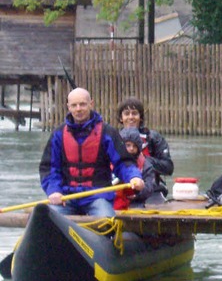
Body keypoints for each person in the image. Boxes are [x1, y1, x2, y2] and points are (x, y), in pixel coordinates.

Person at [39, 88, 144, 217]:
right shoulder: (58, 134)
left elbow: (123, 162)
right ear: (68, 107)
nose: (78, 109)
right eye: (74, 105)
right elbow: (49, 168)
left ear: (91, 104)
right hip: (66, 198)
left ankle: (104, 234)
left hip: (98, 196)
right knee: (48, 218)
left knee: (106, 220)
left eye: (82, 104)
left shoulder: (108, 132)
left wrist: (134, 177)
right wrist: (54, 191)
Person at [117, 97, 174, 194]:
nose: (131, 117)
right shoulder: (113, 139)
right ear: (121, 118)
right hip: (120, 190)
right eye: (127, 114)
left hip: (152, 189)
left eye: (134, 113)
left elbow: (168, 168)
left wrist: (144, 160)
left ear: (141, 117)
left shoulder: (153, 138)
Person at [114, 128, 160, 210]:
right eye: (128, 145)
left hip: (135, 202)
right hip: (113, 200)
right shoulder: (110, 160)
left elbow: (149, 186)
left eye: (134, 146)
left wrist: (138, 194)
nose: (131, 149)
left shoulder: (146, 165)